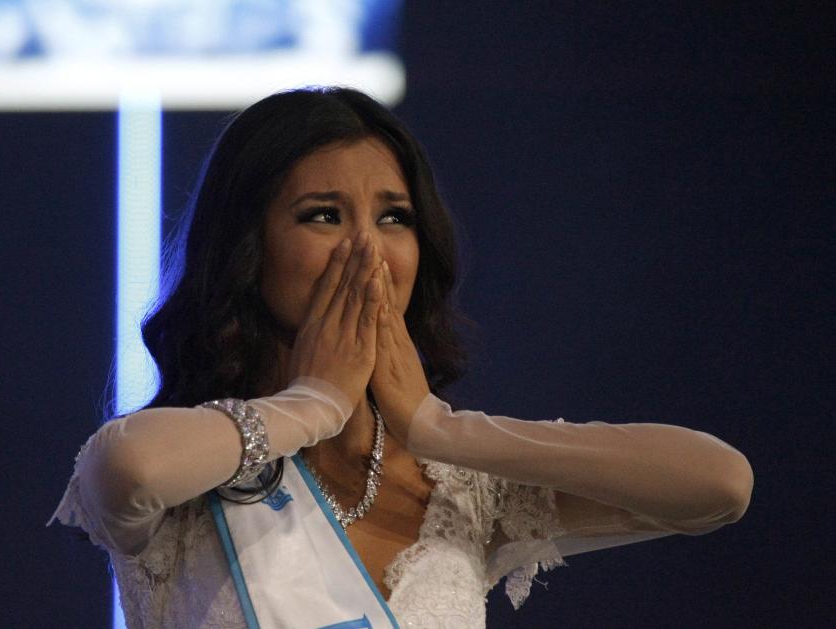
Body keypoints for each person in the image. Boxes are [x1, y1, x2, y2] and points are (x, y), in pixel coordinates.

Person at [49, 87, 753, 628]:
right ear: (245, 250)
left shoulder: (459, 488)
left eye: (393, 217)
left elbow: (719, 483)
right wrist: (311, 404)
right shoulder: (188, 472)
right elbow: (127, 468)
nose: (367, 250)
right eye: (323, 214)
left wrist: (438, 430)